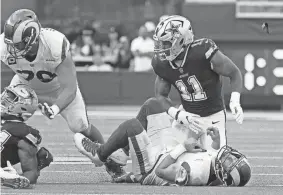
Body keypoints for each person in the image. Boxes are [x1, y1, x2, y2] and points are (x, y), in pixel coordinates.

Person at [0, 9, 126, 179]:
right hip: (24, 85)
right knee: (4, 116)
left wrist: (55, 108)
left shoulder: (54, 44)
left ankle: (110, 162)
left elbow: (70, 88)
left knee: (80, 126)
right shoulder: (4, 45)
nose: (12, 49)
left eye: (18, 45)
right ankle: (32, 158)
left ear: (32, 38)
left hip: (58, 88)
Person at [73, 97, 250, 186]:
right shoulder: (213, 168)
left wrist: (182, 147)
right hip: (164, 149)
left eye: (229, 162)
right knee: (155, 104)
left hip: (150, 167)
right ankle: (120, 156)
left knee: (132, 126)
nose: (229, 156)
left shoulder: (196, 175)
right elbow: (211, 155)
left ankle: (100, 155)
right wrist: (216, 141)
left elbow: (162, 171)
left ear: (223, 174)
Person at [152, 15, 244, 151]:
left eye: (166, 43)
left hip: (213, 117)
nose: (162, 47)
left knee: (215, 166)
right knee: (168, 159)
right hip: (187, 116)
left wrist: (235, 100)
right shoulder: (161, 63)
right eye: (160, 43)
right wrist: (178, 114)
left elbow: (234, 73)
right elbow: (160, 96)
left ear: (181, 40)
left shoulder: (203, 52)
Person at [0, 84, 53, 189]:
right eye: (6, 95)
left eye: (11, 98)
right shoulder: (25, 133)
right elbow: (30, 175)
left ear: (23, 106)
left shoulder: (23, 133)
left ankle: (6, 174)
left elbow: (29, 175)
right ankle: (6, 174)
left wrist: (22, 179)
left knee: (42, 155)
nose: (4, 99)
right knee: (43, 155)